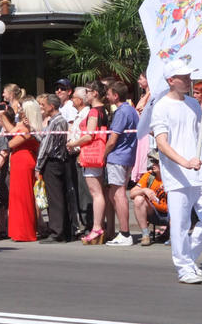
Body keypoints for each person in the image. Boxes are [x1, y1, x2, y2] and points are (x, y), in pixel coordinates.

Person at [151, 59, 202, 283]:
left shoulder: (193, 103)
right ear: (170, 81)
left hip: (200, 171)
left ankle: (189, 259)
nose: (188, 80)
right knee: (182, 224)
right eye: (183, 77)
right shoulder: (161, 107)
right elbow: (162, 144)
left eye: (189, 76)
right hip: (177, 175)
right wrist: (185, 163)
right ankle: (184, 268)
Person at [67, 81, 110, 245]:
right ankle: (100, 227)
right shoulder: (103, 110)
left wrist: (73, 143)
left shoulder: (94, 111)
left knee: (96, 193)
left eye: (89, 91)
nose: (86, 94)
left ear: (95, 93)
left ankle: (97, 227)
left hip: (92, 153)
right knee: (99, 192)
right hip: (97, 152)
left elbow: (89, 135)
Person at [0, 99, 41, 242]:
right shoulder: (24, 125)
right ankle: (18, 231)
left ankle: (25, 232)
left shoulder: (30, 128)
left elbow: (11, 143)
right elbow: (12, 130)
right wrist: (3, 116)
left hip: (24, 162)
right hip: (19, 162)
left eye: (23, 110)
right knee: (17, 197)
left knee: (24, 198)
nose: (21, 111)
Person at [103, 81, 139, 246]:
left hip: (118, 157)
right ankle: (123, 233)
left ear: (116, 95)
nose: (107, 96)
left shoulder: (122, 112)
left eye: (109, 93)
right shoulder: (131, 110)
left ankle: (124, 233)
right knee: (114, 194)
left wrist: (103, 155)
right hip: (126, 156)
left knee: (118, 194)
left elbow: (113, 140)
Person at [35, 94, 71, 243]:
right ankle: (64, 230)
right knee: (59, 196)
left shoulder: (56, 122)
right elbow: (44, 139)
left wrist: (38, 166)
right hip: (59, 161)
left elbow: (46, 146)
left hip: (53, 162)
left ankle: (57, 232)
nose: (43, 107)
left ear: (51, 106)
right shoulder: (58, 121)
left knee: (54, 198)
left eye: (44, 105)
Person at [131, 154, 167, 246]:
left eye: (157, 162)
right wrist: (144, 190)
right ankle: (145, 234)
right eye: (153, 161)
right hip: (154, 213)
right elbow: (132, 193)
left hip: (172, 215)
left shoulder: (174, 177)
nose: (153, 164)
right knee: (138, 199)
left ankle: (171, 233)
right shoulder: (149, 175)